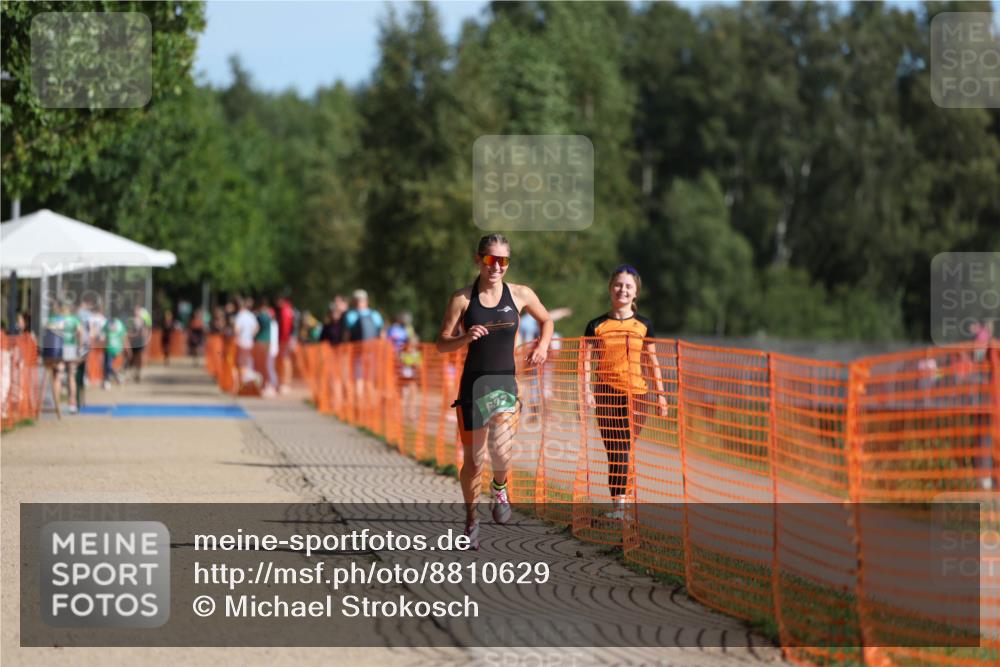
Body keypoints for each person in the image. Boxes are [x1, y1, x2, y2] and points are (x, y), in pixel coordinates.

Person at [436, 234, 553, 549]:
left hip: (504, 385)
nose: (497, 266)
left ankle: (500, 486)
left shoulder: (520, 294)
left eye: (504, 260)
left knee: (501, 451)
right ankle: (472, 521)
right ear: (478, 259)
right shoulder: (462, 298)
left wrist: (542, 345)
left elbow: (547, 321)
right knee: (473, 461)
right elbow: (441, 343)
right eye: (491, 259)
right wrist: (464, 338)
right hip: (473, 387)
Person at [584, 265, 669, 519]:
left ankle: (621, 504)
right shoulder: (596, 325)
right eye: (618, 285)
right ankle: (620, 504)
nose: (623, 290)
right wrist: (587, 391)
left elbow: (653, 361)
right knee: (615, 449)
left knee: (624, 445)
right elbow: (585, 361)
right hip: (606, 393)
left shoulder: (644, 325)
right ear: (610, 288)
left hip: (637, 394)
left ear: (636, 293)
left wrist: (661, 395)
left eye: (628, 286)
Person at [256, 298, 279, 397]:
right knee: (269, 366)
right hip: (270, 346)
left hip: (270, 346)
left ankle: (273, 385)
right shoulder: (273, 323)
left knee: (269, 367)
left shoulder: (272, 323)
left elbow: (272, 337)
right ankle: (272, 385)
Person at [234, 297, 260, 385]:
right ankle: (248, 377)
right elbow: (257, 327)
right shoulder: (251, 315)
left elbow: (237, 329)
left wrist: (237, 337)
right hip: (249, 341)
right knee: (248, 359)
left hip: (241, 341)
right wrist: (251, 335)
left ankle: (244, 380)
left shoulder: (240, 316)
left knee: (242, 361)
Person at [276, 292, 298, 393]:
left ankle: (285, 383)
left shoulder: (285, 310)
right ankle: (286, 382)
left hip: (286, 338)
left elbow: (285, 326)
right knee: (287, 360)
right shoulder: (290, 309)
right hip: (290, 338)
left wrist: (283, 339)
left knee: (285, 360)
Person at [103, 313, 127, 388]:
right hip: (108, 348)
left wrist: (123, 347)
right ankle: (107, 380)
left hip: (116, 348)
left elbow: (123, 336)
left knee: (110, 365)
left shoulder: (120, 324)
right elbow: (103, 333)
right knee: (107, 365)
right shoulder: (107, 323)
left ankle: (116, 377)